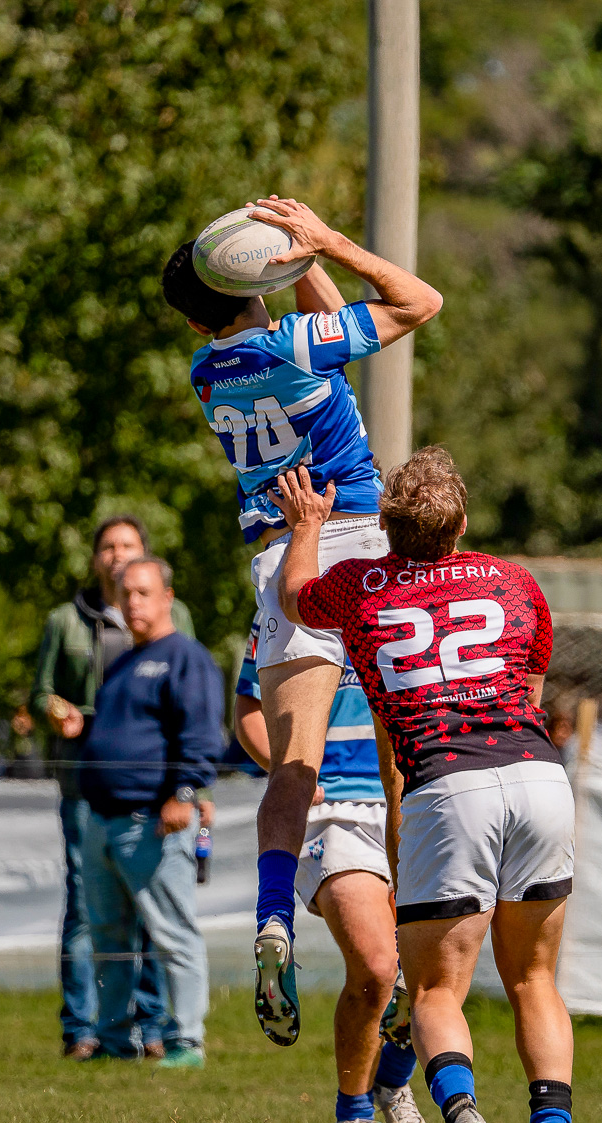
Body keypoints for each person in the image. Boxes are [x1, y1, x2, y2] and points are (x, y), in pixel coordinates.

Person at [161, 195, 442, 1048]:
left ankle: (271, 916)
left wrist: (297, 261)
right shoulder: (293, 344)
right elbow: (418, 302)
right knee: (402, 762)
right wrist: (325, 241)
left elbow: (327, 346)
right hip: (359, 544)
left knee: (294, 765)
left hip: (282, 560)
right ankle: (407, 940)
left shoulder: (209, 373)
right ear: (252, 284)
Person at [272, 449, 576, 1123]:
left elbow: (292, 599)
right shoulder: (513, 580)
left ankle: (462, 1112)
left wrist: (308, 522)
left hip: (448, 786)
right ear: (463, 523)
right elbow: (528, 689)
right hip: (539, 776)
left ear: (383, 528)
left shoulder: (359, 586)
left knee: (437, 992)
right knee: (535, 977)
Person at [233, 626, 433, 1123]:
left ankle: (392, 1080)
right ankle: (354, 1115)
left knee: (424, 973)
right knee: (375, 964)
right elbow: (250, 707)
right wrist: (290, 773)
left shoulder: (417, 588)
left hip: (419, 796)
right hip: (336, 809)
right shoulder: (293, 597)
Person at [28, 515, 189, 1059]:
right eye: (108, 546)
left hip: (152, 785)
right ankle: (83, 1029)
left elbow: (189, 697)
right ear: (95, 557)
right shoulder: (66, 621)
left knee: (152, 906)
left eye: (129, 545)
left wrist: (189, 787)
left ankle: (155, 1029)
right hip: (82, 782)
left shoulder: (174, 618)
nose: (117, 554)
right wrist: (56, 710)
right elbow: (40, 693)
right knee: (85, 907)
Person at [77, 556, 222, 1067]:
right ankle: (114, 1040)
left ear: (167, 596)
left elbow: (202, 734)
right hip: (102, 820)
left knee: (172, 933)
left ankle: (186, 1040)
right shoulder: (121, 663)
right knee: (108, 941)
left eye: (143, 592)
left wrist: (184, 794)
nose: (133, 602)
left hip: (153, 823)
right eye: (125, 593)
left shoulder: (185, 658)